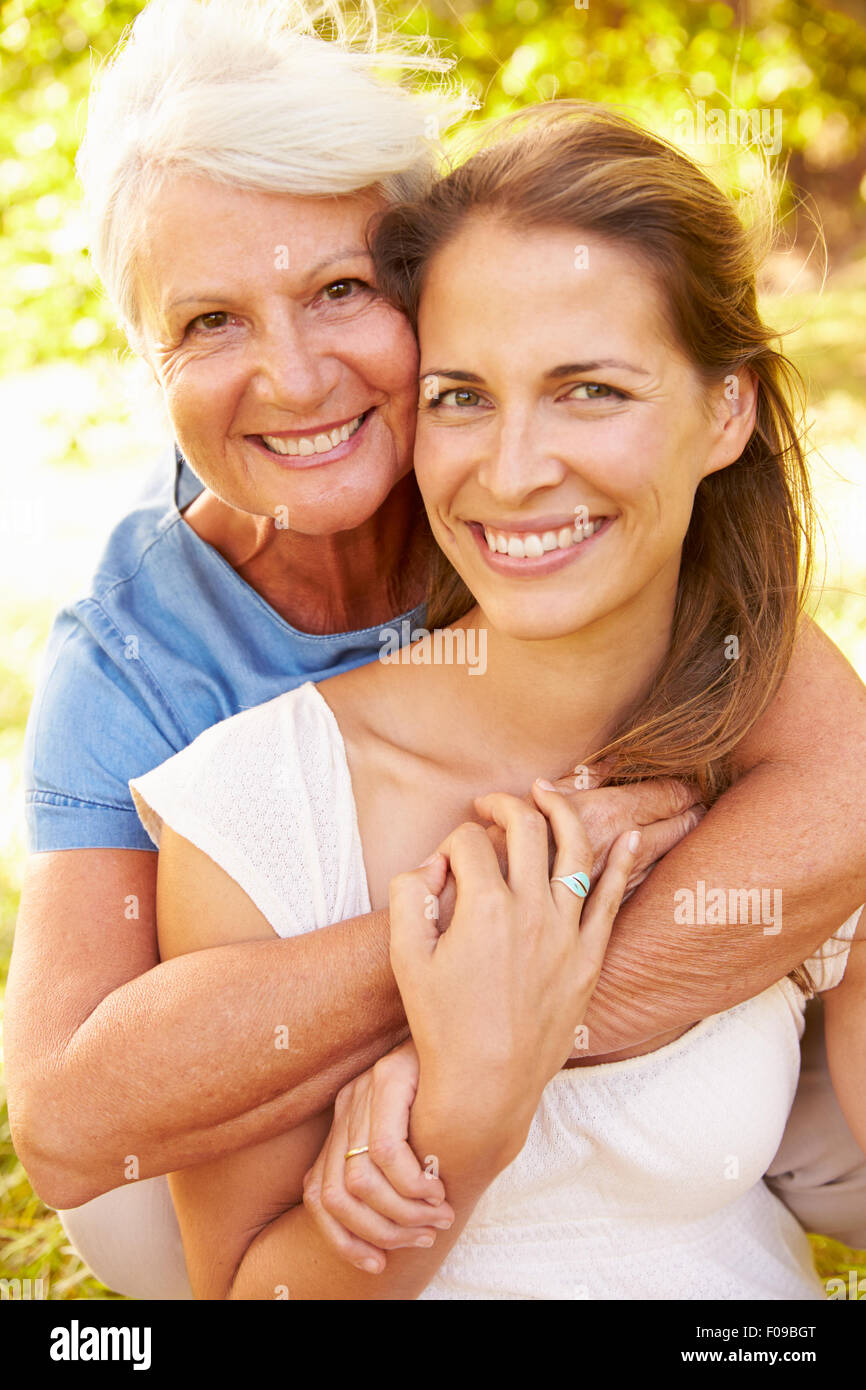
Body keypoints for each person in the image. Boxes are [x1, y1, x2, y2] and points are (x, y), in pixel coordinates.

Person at [5, 1, 865, 1300]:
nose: (293, 380)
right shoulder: (141, 658)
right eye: (209, 322)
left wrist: (505, 1032)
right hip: (258, 1146)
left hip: (697, 1096)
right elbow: (70, 1119)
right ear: (147, 357)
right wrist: (460, 947)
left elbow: (841, 790)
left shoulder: (534, 487)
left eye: (339, 290)